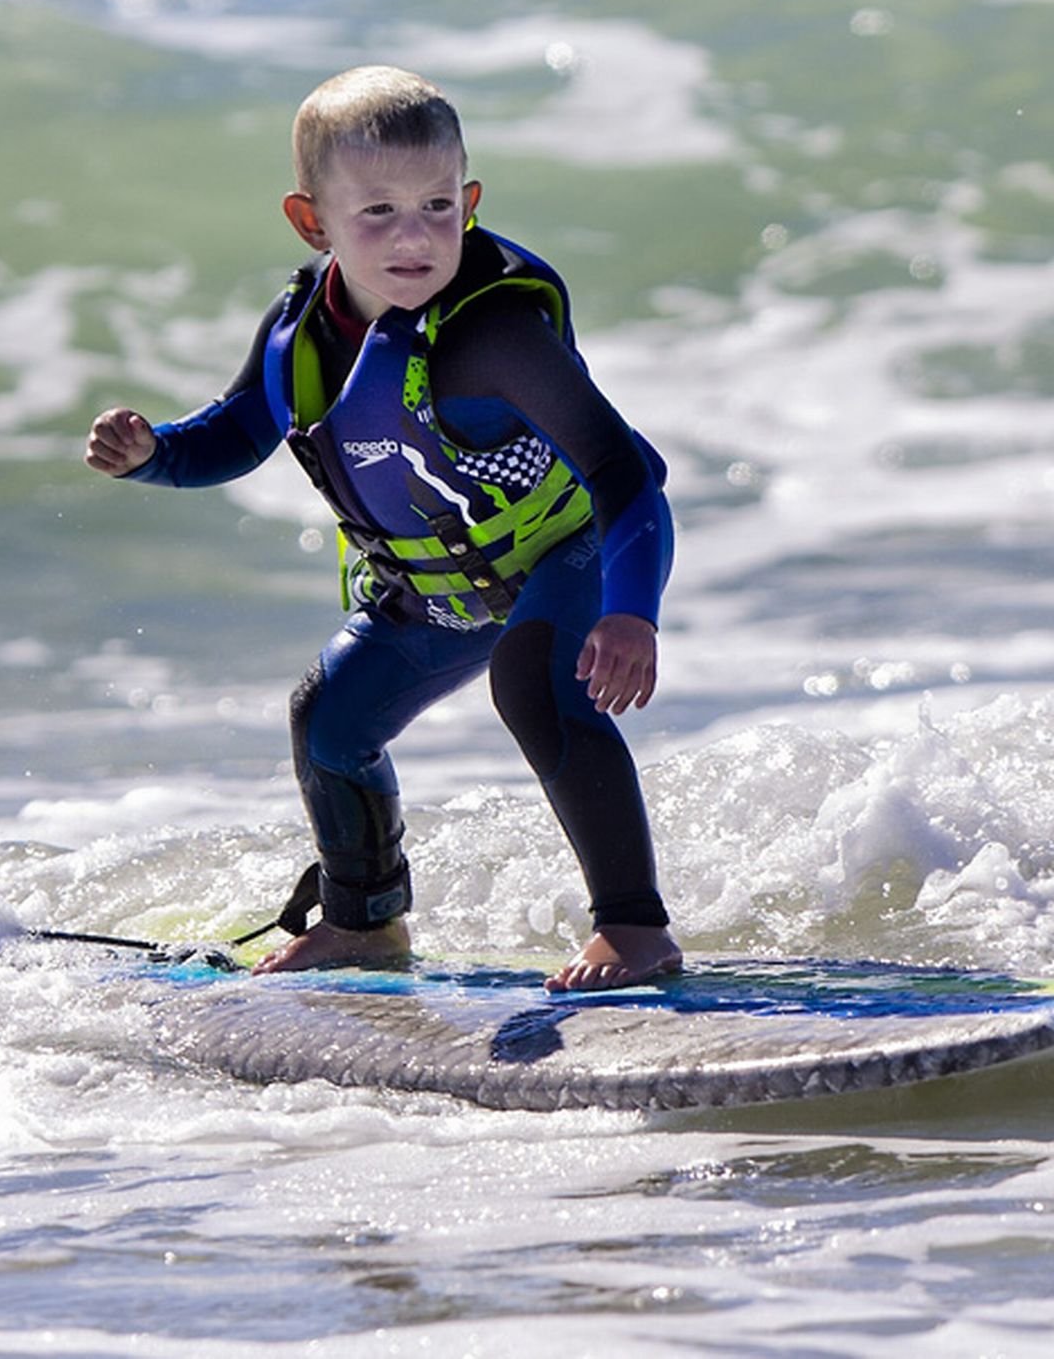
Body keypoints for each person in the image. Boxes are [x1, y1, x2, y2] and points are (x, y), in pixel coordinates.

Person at [83, 65, 679, 992]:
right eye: (378, 213)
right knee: (330, 719)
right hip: (441, 587)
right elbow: (237, 433)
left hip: (574, 551)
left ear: (470, 202)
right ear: (311, 220)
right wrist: (152, 453)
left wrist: (631, 612)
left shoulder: (494, 334)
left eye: (439, 206)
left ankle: (635, 930)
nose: (415, 236)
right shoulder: (298, 332)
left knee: (533, 684)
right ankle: (365, 925)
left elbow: (625, 473)